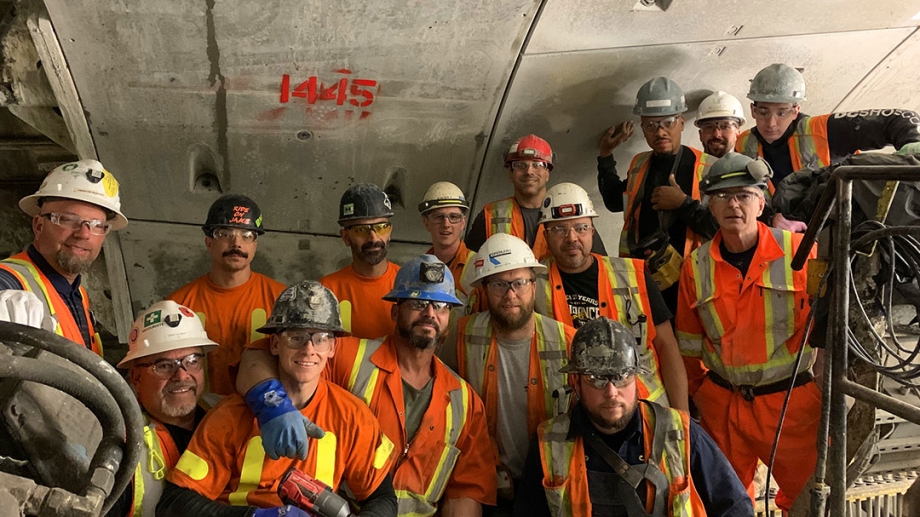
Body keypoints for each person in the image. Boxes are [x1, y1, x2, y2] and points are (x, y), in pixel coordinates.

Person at [158, 281, 398, 517]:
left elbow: (383, 498)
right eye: (296, 337)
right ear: (274, 344)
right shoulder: (231, 416)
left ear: (332, 348)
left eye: (321, 338)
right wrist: (254, 516)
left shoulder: (352, 415)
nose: (308, 349)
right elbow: (175, 502)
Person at [676, 152, 820, 512]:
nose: (733, 204)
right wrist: (700, 395)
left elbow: (829, 327)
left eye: (743, 195)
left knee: (808, 499)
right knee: (723, 503)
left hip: (789, 404)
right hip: (721, 404)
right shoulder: (696, 266)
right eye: (722, 196)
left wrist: (819, 390)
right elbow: (688, 343)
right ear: (710, 206)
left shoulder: (802, 253)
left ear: (761, 203)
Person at [514, 317, 752, 517]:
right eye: (596, 379)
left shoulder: (681, 434)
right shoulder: (550, 443)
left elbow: (735, 507)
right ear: (576, 382)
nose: (611, 392)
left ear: (636, 379)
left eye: (622, 377)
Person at [326, 255, 496, 516]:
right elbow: (271, 353)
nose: (430, 313)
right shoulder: (348, 357)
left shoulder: (465, 402)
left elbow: (466, 492)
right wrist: (270, 401)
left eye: (441, 306)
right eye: (418, 303)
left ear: (448, 319)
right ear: (395, 312)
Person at [442, 233, 576, 514]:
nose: (510, 294)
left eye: (519, 283)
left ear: (534, 286)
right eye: (499, 284)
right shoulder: (462, 334)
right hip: (485, 476)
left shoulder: (567, 342)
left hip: (551, 481)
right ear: (484, 289)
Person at [534, 182, 688, 411]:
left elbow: (667, 347)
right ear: (545, 235)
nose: (571, 237)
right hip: (571, 411)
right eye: (559, 229)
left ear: (592, 231)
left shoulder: (634, 276)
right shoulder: (532, 284)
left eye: (580, 227)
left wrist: (681, 416)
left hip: (642, 409)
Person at [736, 63, 920, 231]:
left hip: (836, 231)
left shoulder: (825, 130)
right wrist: (772, 218)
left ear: (796, 111)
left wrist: (912, 153)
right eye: (763, 112)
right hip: (784, 238)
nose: (771, 123)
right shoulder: (743, 145)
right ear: (752, 110)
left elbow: (902, 118)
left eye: (782, 112)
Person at [595, 77, 718, 314]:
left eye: (668, 123)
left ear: (681, 123)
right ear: (642, 129)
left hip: (694, 281)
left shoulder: (707, 168)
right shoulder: (640, 163)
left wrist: (683, 204)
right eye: (651, 125)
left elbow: (723, 229)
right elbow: (615, 201)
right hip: (646, 278)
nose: (660, 132)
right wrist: (606, 156)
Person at [0, 159, 128, 355]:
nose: (84, 234)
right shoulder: (8, 284)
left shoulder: (78, 295)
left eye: (96, 225)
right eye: (68, 220)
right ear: (39, 226)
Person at [106, 300, 219, 517]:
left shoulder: (225, 413)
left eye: (192, 361)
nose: (182, 376)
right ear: (136, 377)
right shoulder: (120, 446)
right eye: (164, 366)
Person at [169, 194, 286, 395]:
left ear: (255, 245)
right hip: (200, 411)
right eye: (225, 234)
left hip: (261, 411)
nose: (236, 244)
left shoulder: (282, 300)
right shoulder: (178, 305)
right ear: (209, 242)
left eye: (247, 235)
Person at [466, 134, 606, 259]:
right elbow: (470, 266)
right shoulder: (490, 215)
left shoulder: (573, 211)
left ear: (547, 173)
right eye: (521, 165)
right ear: (510, 173)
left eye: (537, 165)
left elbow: (597, 263)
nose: (529, 171)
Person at [321, 183, 400, 339]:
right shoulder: (326, 292)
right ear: (345, 237)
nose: (373, 238)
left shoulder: (410, 286)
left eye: (381, 227)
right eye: (360, 230)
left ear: (390, 232)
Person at [418, 182, 475, 301]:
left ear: (463, 223)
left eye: (453, 217)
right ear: (426, 223)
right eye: (439, 217)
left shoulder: (479, 267)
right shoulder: (417, 268)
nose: (446, 224)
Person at [695, 91, 746, 158]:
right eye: (709, 127)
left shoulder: (749, 164)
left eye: (725, 127)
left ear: (737, 133)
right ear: (700, 134)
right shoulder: (689, 164)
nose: (716, 134)